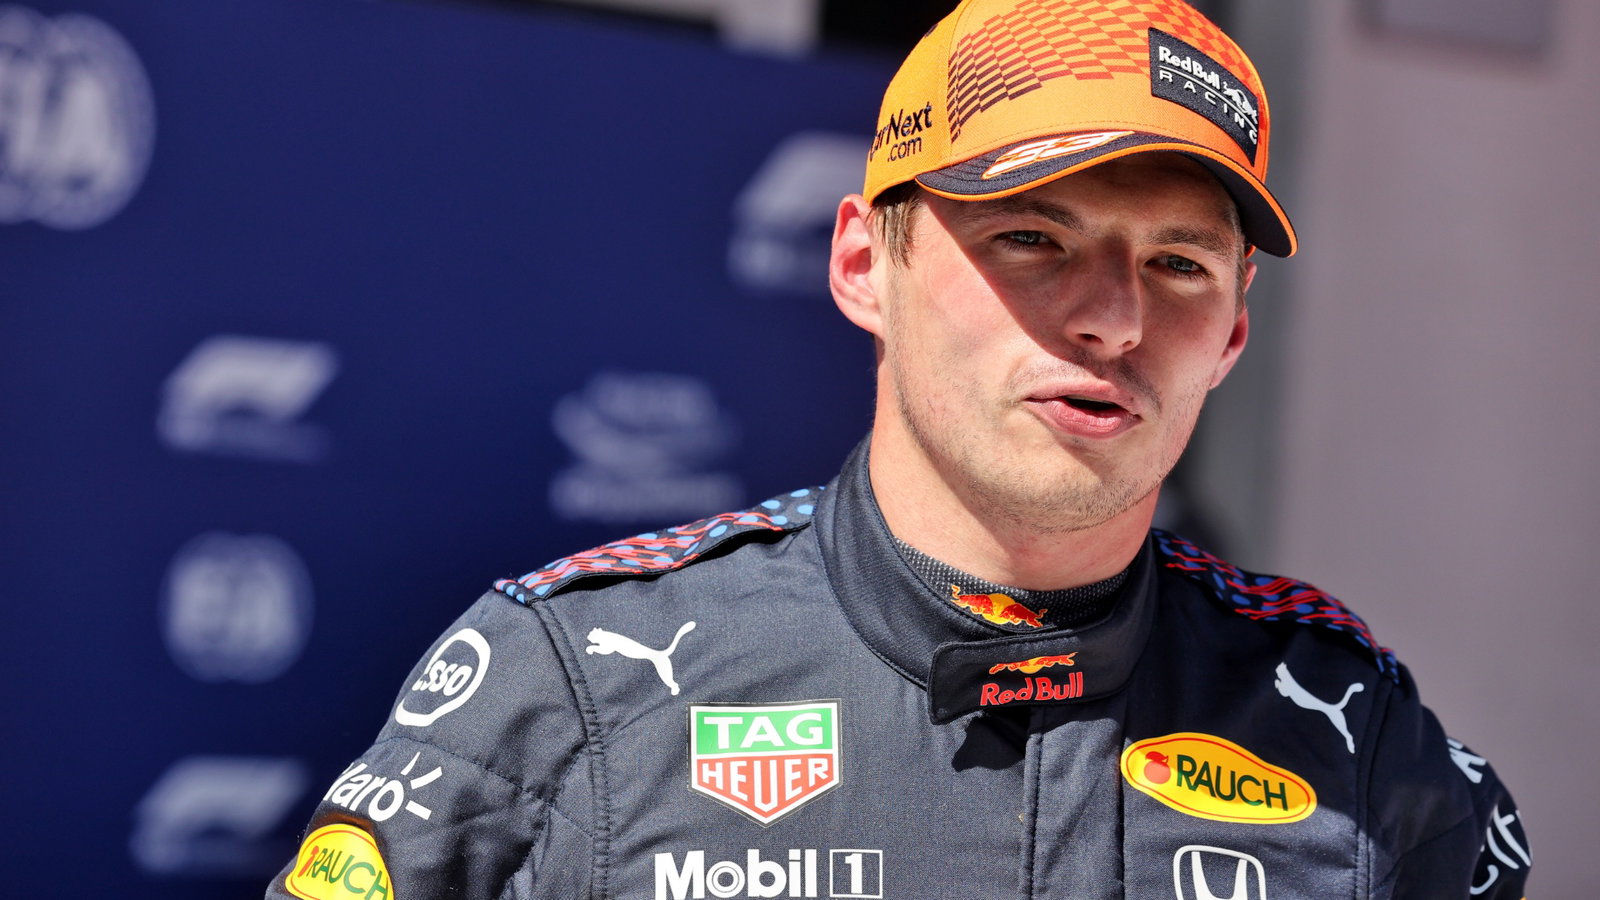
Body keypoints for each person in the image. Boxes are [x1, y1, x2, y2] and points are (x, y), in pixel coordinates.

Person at [268, 1, 1530, 898]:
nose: (1113, 316)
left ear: (1234, 337)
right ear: (866, 265)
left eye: (1178, 264)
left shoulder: (1353, 731)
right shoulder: (568, 686)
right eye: (1035, 237)